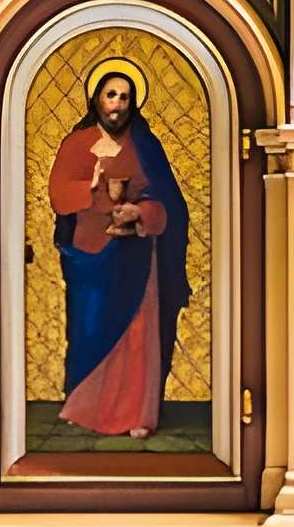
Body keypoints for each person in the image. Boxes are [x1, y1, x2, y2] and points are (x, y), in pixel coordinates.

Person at [45, 64, 191, 439]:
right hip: (89, 254)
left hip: (137, 257)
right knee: (89, 329)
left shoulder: (145, 144)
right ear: (96, 99)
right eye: (111, 95)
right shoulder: (76, 144)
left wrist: (140, 212)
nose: (117, 104)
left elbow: (168, 202)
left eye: (125, 97)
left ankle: (137, 415)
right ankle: (85, 406)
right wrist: (88, 186)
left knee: (138, 335)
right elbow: (59, 195)